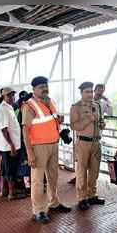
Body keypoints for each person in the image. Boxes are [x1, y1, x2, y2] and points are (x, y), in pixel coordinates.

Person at [23, 76, 71, 223]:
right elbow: (25, 130)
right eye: (41, 86)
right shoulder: (29, 105)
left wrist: (58, 120)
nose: (44, 88)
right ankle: (39, 211)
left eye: (45, 85)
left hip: (53, 144)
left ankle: (54, 203)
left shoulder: (50, 102)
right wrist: (30, 152)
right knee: (38, 180)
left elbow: (51, 120)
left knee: (53, 176)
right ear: (34, 89)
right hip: (38, 147)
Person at [70, 82, 106, 211]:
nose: (90, 94)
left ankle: (92, 195)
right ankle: (82, 198)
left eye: (91, 91)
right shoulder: (76, 107)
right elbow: (74, 126)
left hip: (96, 142)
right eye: (87, 92)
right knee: (81, 172)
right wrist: (89, 119)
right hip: (83, 143)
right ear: (81, 93)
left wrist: (102, 123)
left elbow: (100, 121)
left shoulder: (97, 105)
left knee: (94, 172)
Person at [0, 87, 26, 201]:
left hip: (10, 145)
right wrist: (12, 146)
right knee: (11, 170)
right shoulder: (3, 109)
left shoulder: (9, 108)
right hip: (9, 146)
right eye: (9, 95)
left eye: (13, 95)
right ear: (3, 97)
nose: (12, 97)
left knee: (6, 169)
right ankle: (11, 193)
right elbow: (4, 130)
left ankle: (4, 191)